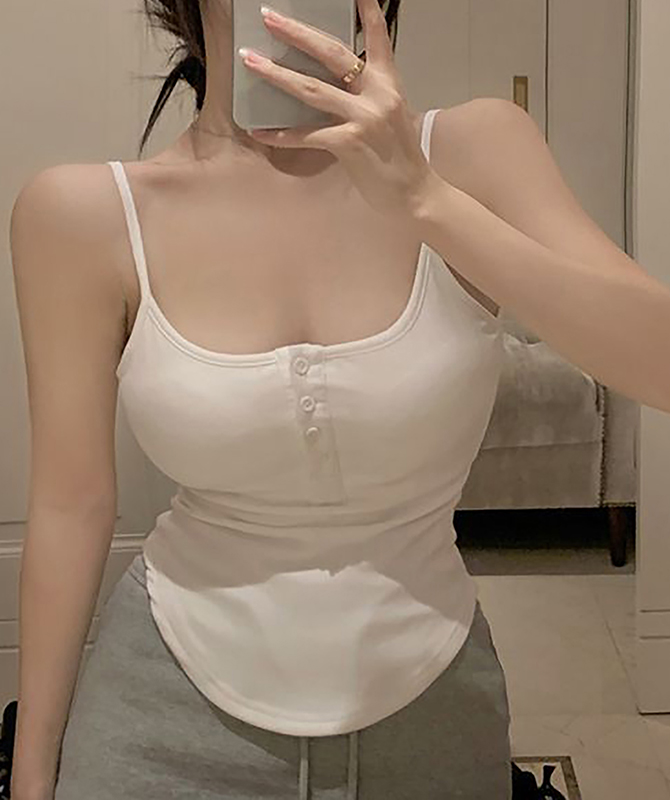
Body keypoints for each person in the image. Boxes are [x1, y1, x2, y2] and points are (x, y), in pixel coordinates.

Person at [10, 0, 512, 797]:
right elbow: (71, 504)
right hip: (158, 721)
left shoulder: (474, 154)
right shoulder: (84, 213)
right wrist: (32, 775)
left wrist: (424, 196)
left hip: (435, 715)